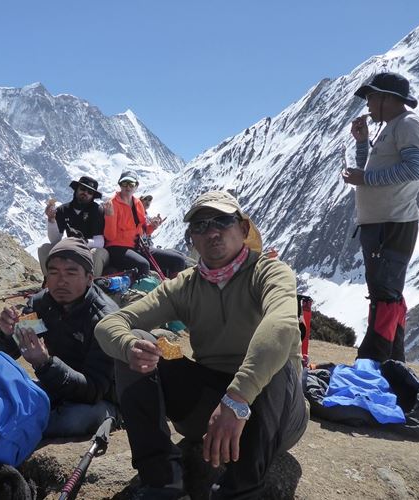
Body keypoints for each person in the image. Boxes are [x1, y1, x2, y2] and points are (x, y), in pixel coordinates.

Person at [95, 191, 308, 499]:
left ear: (244, 229)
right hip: (209, 410)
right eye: (200, 226)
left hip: (276, 416)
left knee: (278, 360)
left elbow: (281, 327)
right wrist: (129, 347)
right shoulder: (185, 285)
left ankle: (240, 491)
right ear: (192, 239)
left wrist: (237, 398)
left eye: (222, 220)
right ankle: (162, 478)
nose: (212, 231)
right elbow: (109, 325)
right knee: (139, 346)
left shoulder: (269, 272)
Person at [0, 237, 119, 438]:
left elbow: (95, 390)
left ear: (89, 278)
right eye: (53, 272)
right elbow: (11, 350)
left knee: (72, 419)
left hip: (101, 400)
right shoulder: (40, 305)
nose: (61, 281)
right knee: (6, 394)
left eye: (71, 272)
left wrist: (45, 364)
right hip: (56, 385)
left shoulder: (105, 321)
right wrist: (7, 334)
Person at [344, 72, 419, 363]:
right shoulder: (391, 126)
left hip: (392, 224)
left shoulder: (409, 124)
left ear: (389, 99)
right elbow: (373, 170)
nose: (367, 105)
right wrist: (362, 143)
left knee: (385, 295)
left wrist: (365, 178)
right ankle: (392, 365)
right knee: (385, 293)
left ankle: (372, 361)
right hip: (381, 224)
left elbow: (413, 169)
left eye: (371, 97)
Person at [103, 171, 186, 278]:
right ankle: (141, 293)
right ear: (120, 185)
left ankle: (174, 291)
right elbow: (110, 237)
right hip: (117, 248)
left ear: (136, 186)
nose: (127, 187)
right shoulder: (112, 204)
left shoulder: (138, 204)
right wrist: (109, 216)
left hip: (138, 247)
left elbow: (143, 231)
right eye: (124, 183)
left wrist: (153, 226)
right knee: (143, 265)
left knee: (178, 260)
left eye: (131, 184)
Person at [37, 175, 109, 277]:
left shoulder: (97, 211)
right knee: (44, 249)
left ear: (93, 196)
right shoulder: (63, 210)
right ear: (76, 189)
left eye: (90, 192)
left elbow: (100, 242)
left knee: (96, 253)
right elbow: (55, 240)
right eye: (83, 189)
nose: (85, 193)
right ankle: (50, 283)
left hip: (91, 249)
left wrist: (84, 242)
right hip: (71, 248)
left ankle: (93, 286)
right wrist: (51, 220)